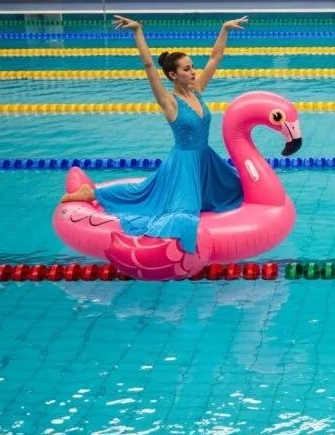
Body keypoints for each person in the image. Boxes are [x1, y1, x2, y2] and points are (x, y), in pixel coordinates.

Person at [60, 14, 250, 255]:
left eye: (193, 67)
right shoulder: (169, 102)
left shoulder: (197, 91)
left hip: (206, 160)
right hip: (184, 164)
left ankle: (95, 191)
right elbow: (149, 66)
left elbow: (215, 57)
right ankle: (92, 193)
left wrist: (224, 29)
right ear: (173, 75)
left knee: (237, 187)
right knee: (177, 210)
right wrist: (137, 31)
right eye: (187, 69)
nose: (193, 72)